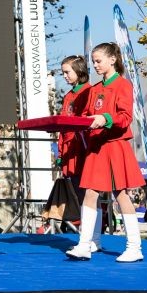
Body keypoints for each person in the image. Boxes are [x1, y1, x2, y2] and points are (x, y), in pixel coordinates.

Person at [66, 42, 146, 262]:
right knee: (90, 193)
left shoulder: (123, 85)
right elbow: (87, 116)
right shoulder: (94, 89)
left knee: (121, 195)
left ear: (113, 59)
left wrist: (105, 118)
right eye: (93, 61)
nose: (95, 65)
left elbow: (125, 117)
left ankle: (134, 247)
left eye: (98, 61)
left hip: (115, 145)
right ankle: (85, 244)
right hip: (97, 146)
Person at [55, 54, 102, 252]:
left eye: (68, 72)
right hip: (70, 150)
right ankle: (87, 238)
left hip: (84, 148)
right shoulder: (68, 96)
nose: (65, 76)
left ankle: (94, 239)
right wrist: (61, 152)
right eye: (63, 73)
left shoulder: (90, 91)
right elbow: (63, 125)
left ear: (79, 71)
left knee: (90, 193)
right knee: (79, 193)